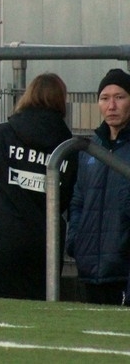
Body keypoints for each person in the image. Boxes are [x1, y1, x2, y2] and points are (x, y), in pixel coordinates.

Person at [0, 73, 77, 301]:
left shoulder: (0, 134)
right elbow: (67, 198)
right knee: (35, 314)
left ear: (28, 95)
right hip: (44, 252)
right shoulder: (69, 149)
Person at [66, 68, 130, 305]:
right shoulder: (90, 149)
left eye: (119, 97)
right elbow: (78, 201)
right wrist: (76, 241)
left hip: (123, 268)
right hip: (90, 268)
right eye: (105, 98)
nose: (111, 105)